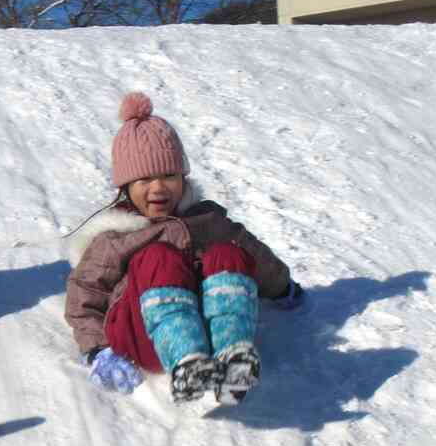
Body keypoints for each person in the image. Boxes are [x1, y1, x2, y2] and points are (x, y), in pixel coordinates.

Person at [65, 92, 303, 406]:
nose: (158, 188)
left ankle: (232, 356)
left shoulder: (205, 219)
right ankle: (186, 362)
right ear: (125, 187)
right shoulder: (115, 236)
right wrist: (97, 350)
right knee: (158, 257)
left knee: (228, 252)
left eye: (168, 176)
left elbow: (254, 255)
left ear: (183, 177)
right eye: (144, 179)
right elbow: (83, 296)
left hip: (207, 326)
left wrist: (282, 285)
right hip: (142, 335)